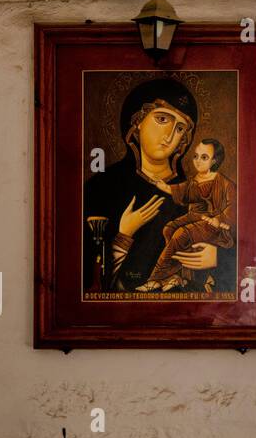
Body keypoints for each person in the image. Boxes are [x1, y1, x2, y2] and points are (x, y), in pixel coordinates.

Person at [82, 78, 235, 295]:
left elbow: (240, 245)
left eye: (180, 128)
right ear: (138, 121)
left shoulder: (196, 190)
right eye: (162, 119)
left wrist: (217, 258)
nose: (169, 137)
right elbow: (86, 278)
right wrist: (124, 234)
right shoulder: (101, 187)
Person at [137, 138, 236, 292]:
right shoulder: (195, 180)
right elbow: (184, 192)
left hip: (212, 224)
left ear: (214, 160)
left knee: (180, 234)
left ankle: (156, 279)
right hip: (196, 218)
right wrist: (165, 187)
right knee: (169, 229)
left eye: (204, 157)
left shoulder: (224, 183)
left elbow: (233, 208)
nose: (197, 161)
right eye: (196, 156)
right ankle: (177, 275)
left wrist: (219, 221)